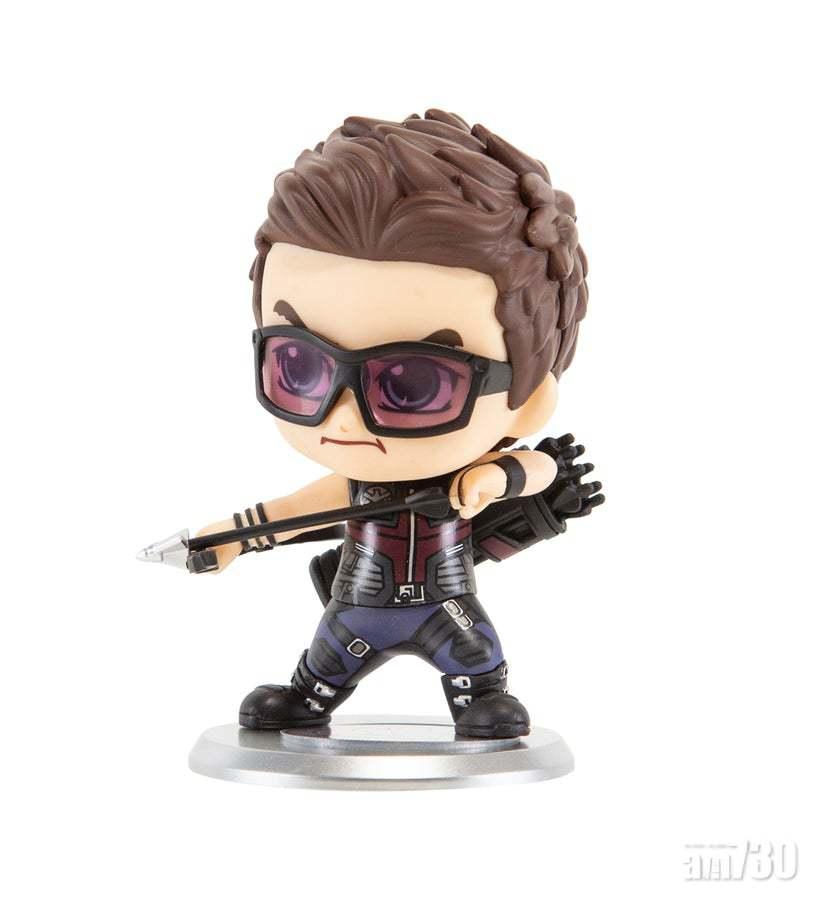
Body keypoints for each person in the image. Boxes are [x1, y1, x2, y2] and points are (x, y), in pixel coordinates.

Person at [196, 110, 590, 738]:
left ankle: (479, 699)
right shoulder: (353, 487)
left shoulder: (471, 476)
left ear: (527, 401)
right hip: (357, 606)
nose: (344, 414)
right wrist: (230, 537)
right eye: (299, 366)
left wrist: (493, 479)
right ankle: (310, 697)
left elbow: (536, 469)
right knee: (322, 668)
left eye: (414, 384)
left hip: (447, 605)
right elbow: (289, 514)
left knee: (476, 658)